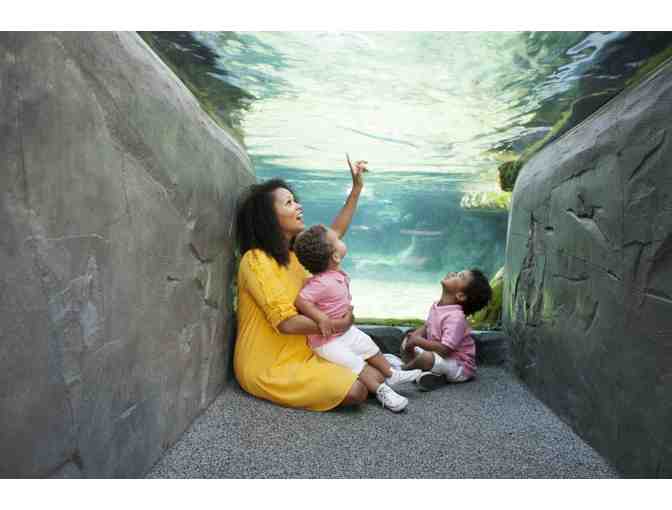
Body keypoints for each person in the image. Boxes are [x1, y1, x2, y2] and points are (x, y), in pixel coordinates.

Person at [234, 155, 389, 411]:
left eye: (295, 201)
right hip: (268, 365)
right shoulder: (256, 260)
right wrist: (340, 325)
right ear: (269, 218)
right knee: (358, 390)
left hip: (306, 350)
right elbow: (286, 323)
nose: (298, 206)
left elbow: (332, 236)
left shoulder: (294, 256)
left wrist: (356, 189)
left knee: (377, 374)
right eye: (289, 203)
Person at [293, 224, 421, 412]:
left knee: (368, 345)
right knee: (357, 365)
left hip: (344, 332)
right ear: (335, 256)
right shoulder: (321, 283)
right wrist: (320, 317)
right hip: (326, 342)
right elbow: (301, 300)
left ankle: (391, 373)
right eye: (337, 240)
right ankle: (383, 392)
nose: (340, 239)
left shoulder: (335, 275)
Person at [400, 269, 492, 391]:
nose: (453, 274)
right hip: (440, 356)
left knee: (426, 358)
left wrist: (417, 341)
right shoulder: (437, 305)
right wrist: (413, 338)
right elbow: (427, 326)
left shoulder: (456, 318)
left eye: (460, 276)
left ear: (460, 296)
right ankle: (432, 375)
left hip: (458, 366)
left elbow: (445, 350)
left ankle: (405, 370)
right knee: (406, 342)